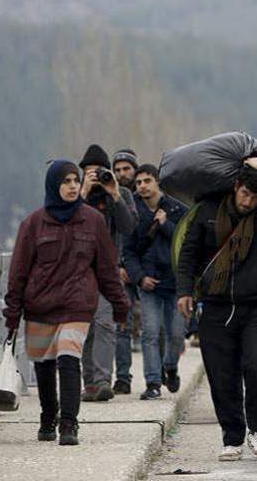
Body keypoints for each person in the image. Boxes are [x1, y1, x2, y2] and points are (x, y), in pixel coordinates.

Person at [4, 160, 130, 446]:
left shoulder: (93, 221)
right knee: (44, 365)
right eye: (66, 181)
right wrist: (13, 312)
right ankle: (48, 415)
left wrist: (119, 304)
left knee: (69, 359)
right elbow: (18, 271)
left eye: (76, 180)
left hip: (77, 304)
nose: (73, 186)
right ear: (53, 186)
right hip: (40, 306)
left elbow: (107, 268)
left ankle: (69, 423)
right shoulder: (33, 224)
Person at [176, 157, 257, 461]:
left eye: (255, 197)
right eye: (245, 194)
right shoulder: (208, 211)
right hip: (215, 306)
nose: (249, 202)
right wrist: (184, 291)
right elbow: (188, 254)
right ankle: (232, 437)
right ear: (235, 187)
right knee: (221, 375)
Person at [78, 144, 138, 402]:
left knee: (104, 323)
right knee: (85, 328)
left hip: (106, 269)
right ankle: (89, 382)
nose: (95, 177)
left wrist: (114, 194)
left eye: (99, 172)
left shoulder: (121, 192)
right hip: (78, 271)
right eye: (89, 172)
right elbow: (64, 222)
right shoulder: (75, 194)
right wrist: (82, 192)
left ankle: (103, 380)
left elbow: (129, 227)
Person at [123, 164, 188, 400]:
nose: (142, 186)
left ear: (157, 182)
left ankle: (170, 367)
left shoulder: (177, 209)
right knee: (149, 333)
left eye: (147, 181)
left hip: (177, 283)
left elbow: (187, 243)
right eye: (138, 182)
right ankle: (152, 382)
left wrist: (165, 224)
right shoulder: (133, 213)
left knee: (177, 335)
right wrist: (140, 277)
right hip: (149, 283)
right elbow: (128, 251)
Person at [112, 147, 139, 394]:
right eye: (117, 169)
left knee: (158, 330)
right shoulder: (113, 197)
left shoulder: (145, 195)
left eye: (126, 169)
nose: (121, 174)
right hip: (120, 272)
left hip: (147, 271)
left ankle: (163, 371)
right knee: (122, 326)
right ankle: (122, 377)